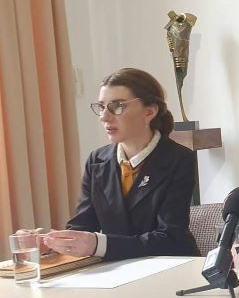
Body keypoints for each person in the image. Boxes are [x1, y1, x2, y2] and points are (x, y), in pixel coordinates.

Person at [20, 68, 199, 260]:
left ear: (149, 112)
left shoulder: (179, 159)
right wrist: (49, 242)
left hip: (171, 266)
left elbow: (170, 238)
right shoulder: (97, 160)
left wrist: (99, 245)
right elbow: (83, 227)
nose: (104, 117)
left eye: (117, 106)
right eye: (101, 107)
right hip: (116, 269)